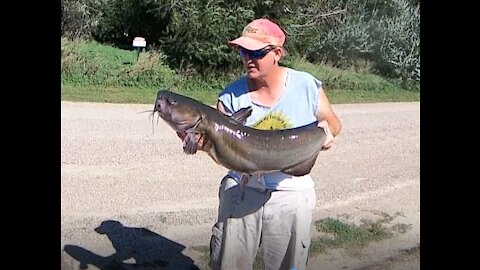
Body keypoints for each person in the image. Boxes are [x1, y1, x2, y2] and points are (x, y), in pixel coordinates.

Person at [183, 18, 341, 270]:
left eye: (256, 52)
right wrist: (204, 145)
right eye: (243, 51)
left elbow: (332, 120)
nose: (248, 58)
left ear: (277, 53)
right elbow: (224, 150)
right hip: (242, 191)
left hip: (291, 192)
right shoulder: (231, 95)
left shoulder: (306, 85)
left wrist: (328, 131)